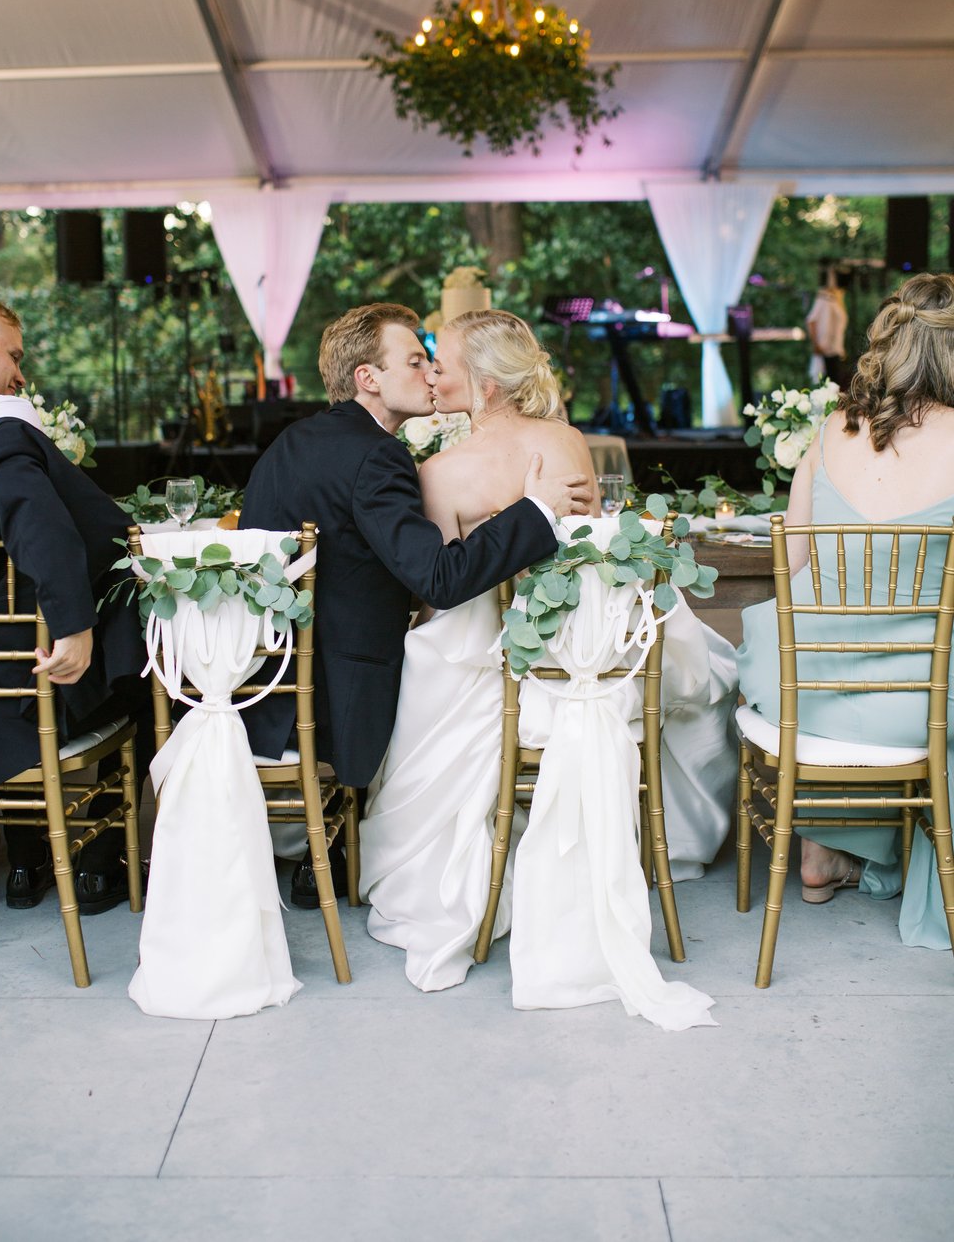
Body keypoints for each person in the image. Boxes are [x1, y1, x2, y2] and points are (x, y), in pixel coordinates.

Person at [359, 310, 737, 1022]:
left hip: (501, 675)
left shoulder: (438, 471)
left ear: (486, 383)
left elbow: (443, 590)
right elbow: (594, 568)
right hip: (587, 667)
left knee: (427, 656)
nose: (433, 374)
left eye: (442, 363)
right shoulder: (569, 444)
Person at [239, 302, 592, 906]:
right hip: (341, 688)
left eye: (434, 361)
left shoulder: (292, 442)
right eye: (415, 360)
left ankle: (322, 844)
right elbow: (438, 578)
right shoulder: (382, 457)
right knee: (435, 653)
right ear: (368, 378)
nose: (429, 372)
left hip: (266, 677)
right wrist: (531, 513)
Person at [738, 272, 954, 948]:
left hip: (803, 694)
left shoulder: (833, 430)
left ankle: (823, 852)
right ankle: (853, 848)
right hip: (916, 704)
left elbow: (797, 567)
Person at [0, 291, 151, 913]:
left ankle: (26, 863)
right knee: (147, 672)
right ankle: (96, 862)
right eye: (12, 355)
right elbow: (41, 527)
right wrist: (76, 626)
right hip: (17, 690)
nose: (19, 374)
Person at [805, 261, 848, 385]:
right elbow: (811, 321)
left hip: (836, 350)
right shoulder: (824, 298)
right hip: (824, 349)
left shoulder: (838, 299)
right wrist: (816, 344)